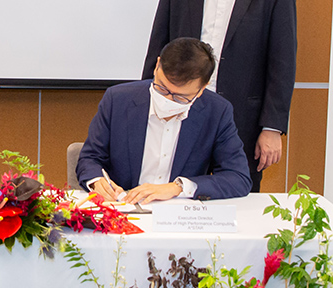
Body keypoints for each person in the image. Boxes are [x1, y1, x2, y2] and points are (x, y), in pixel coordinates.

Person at [141, 0, 296, 192]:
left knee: (237, 199)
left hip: (243, 121)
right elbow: (158, 52)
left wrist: (272, 128)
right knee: (174, 195)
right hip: (179, 112)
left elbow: (282, 63)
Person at [78, 38, 251, 204]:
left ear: (202, 88)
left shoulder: (217, 111)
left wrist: (178, 187)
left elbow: (238, 177)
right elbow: (90, 158)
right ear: (157, 65)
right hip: (124, 209)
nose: (168, 100)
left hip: (180, 216)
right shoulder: (118, 100)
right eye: (161, 88)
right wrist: (96, 181)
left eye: (180, 98)